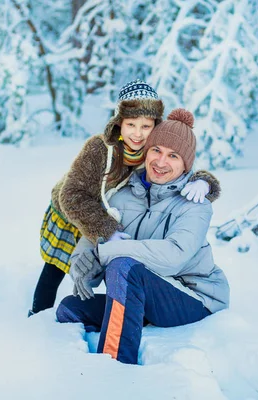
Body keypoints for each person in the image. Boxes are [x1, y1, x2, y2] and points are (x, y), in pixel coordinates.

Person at [29, 80, 220, 316]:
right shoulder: (101, 148)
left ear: (156, 126)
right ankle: (38, 316)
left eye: (146, 126)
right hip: (75, 213)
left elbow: (178, 163)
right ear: (119, 123)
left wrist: (205, 182)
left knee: (96, 262)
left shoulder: (152, 150)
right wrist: (106, 229)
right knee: (57, 267)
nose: (138, 134)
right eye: (131, 124)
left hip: (112, 214)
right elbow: (71, 195)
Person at [55, 108, 230, 365]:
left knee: (123, 266)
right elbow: (95, 238)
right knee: (71, 307)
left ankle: (114, 365)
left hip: (195, 298)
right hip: (148, 294)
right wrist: (83, 264)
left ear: (186, 165)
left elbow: (174, 256)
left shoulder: (195, 203)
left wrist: (105, 253)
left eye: (173, 156)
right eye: (156, 150)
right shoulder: (122, 196)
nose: (161, 161)